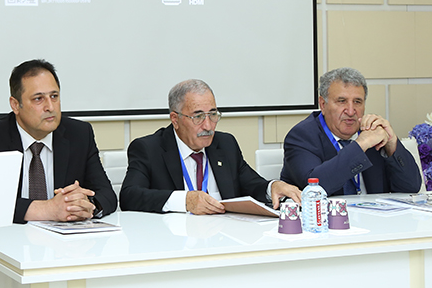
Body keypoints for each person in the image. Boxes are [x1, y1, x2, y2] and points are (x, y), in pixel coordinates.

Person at [0, 59, 116, 288]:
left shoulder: (79, 133)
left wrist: (86, 205)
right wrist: (47, 210)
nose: (50, 107)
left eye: (54, 96)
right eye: (38, 99)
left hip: (65, 259)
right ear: (15, 105)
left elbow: (107, 195)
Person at [119, 79, 300, 214]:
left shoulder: (225, 144)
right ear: (175, 119)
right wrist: (185, 200)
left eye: (213, 114)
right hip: (175, 242)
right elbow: (130, 196)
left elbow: (251, 184)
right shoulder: (149, 149)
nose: (208, 125)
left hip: (224, 238)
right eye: (198, 116)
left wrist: (273, 187)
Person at [281, 67, 422, 196]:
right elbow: (315, 188)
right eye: (342, 101)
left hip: (376, 220)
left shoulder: (373, 132)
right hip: (326, 221)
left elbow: (410, 188)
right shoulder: (302, 136)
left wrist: (392, 144)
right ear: (323, 105)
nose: (350, 111)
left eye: (357, 102)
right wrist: (361, 145)